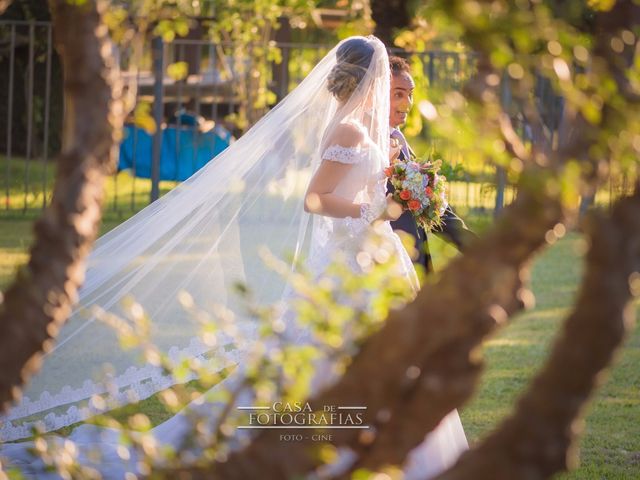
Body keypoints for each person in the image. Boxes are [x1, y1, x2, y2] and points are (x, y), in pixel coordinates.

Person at [0, 36, 467, 478]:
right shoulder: (347, 129)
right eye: (387, 81)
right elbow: (315, 199)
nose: (392, 93)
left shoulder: (376, 134)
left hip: (376, 259)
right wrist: (375, 211)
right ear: (368, 81)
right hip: (351, 260)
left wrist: (405, 202)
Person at [387, 55, 477, 273]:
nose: (407, 103)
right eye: (398, 94)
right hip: (387, 256)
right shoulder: (363, 142)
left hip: (412, 252)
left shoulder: (398, 139)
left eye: (410, 95)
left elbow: (427, 202)